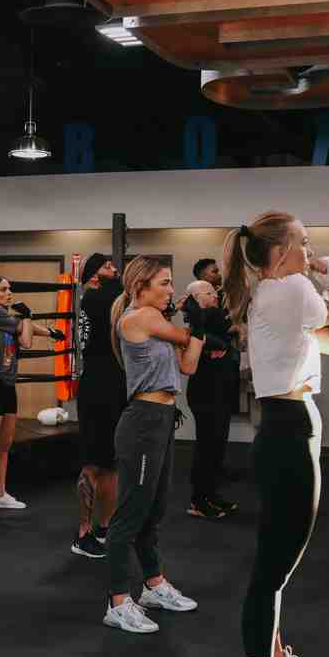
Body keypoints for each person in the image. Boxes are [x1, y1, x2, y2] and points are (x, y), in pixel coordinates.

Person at [223, 213, 329, 657]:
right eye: (303, 241)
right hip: (289, 427)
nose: (310, 248)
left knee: (275, 560)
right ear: (280, 252)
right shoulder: (295, 287)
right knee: (273, 570)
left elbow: (328, 342)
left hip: (284, 423)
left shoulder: (274, 292)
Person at [103, 257, 205, 634]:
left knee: (153, 509)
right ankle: (117, 601)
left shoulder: (157, 323)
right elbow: (184, 340)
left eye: (171, 283)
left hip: (162, 420)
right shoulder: (139, 317)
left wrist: (201, 326)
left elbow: (189, 365)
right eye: (164, 283)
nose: (171, 289)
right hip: (143, 422)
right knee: (130, 514)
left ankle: (154, 585)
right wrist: (195, 321)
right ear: (140, 287)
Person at [0, 276, 62, 520]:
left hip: (8, 386)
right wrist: (30, 316)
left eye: (10, 289)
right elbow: (26, 340)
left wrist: (50, 331)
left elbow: (23, 328)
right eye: (3, 289)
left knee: (4, 446)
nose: (9, 293)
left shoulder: (5, 318)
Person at [72, 253, 125, 559]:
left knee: (111, 463)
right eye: (107, 266)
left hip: (114, 386)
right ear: (93, 275)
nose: (114, 270)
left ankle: (105, 527)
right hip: (95, 388)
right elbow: (123, 289)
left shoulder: (107, 297)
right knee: (93, 463)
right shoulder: (94, 297)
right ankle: (83, 533)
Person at [184, 279, 240, 519]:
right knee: (206, 448)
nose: (215, 295)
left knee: (217, 447)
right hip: (205, 393)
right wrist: (222, 341)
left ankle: (211, 495)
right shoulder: (198, 319)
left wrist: (226, 344)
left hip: (222, 390)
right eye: (209, 293)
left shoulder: (212, 317)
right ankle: (199, 500)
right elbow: (203, 336)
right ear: (197, 298)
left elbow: (231, 336)